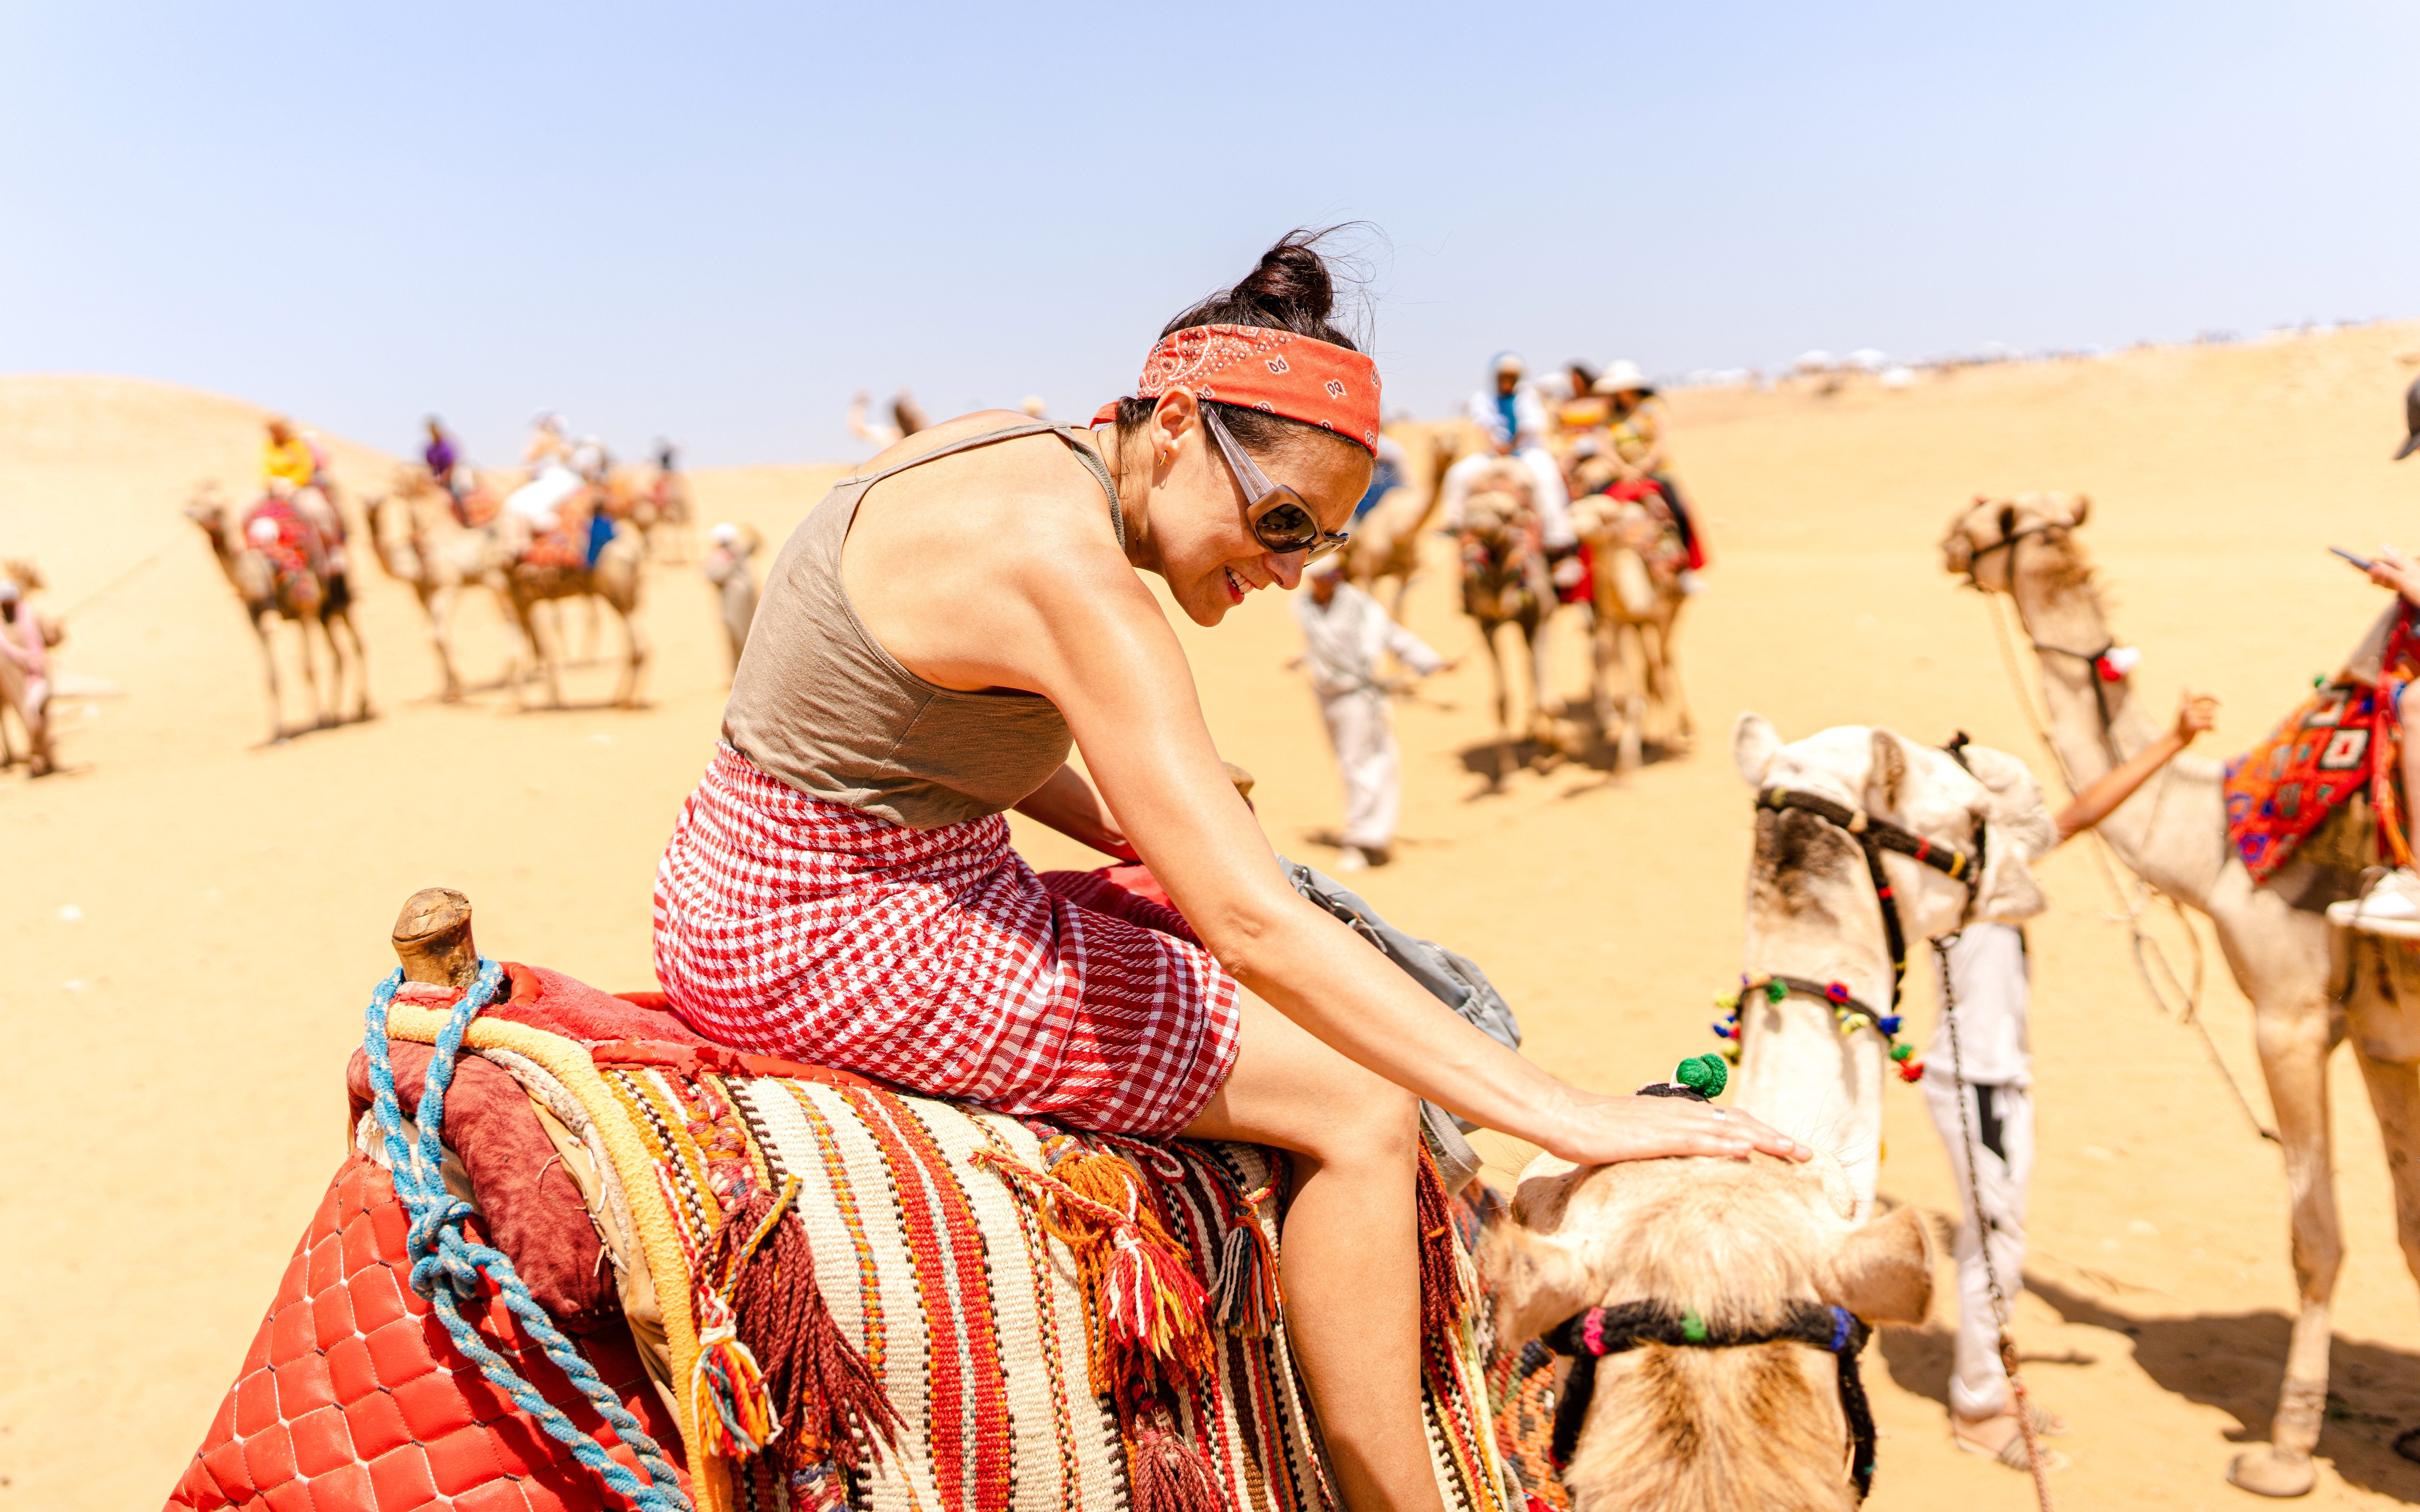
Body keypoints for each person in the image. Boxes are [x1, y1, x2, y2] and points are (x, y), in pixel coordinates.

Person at [651, 231, 1804, 1512]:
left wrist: (1110, 821)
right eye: (1280, 520)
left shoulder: (995, 448)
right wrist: (1564, 1114)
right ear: (1176, 424)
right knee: (1359, 1106)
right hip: (839, 929)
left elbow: (894, 705)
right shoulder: (1072, 575)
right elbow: (1250, 922)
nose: (1291, 570)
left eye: (1322, 542)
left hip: (749, 866)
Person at [1931, 690, 2218, 1470]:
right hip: (1975, 1082)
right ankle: (1979, 1406)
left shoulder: (1991, 863)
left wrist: (2170, 741)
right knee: (1995, 1240)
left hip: (1997, 1079)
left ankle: (1993, 1386)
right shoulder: (1956, 872)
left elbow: (2084, 812)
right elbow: (2078, 814)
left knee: (2001, 1235)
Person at [1291, 555, 1452, 871]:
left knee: (1362, 764)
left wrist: (1430, 661)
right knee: (1352, 762)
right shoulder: (1304, 606)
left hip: (1360, 696)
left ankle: (1363, 839)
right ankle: (1372, 834)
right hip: (1327, 696)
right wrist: (1304, 658)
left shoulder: (1358, 605)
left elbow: (1391, 635)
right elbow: (1323, 644)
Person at [1439, 353, 1575, 553]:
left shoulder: (1528, 396)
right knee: (1458, 473)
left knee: (1547, 476)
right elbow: (1484, 426)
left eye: (1512, 377)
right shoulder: (1483, 399)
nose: (1508, 381)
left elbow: (1529, 425)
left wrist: (1511, 447)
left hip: (1525, 452)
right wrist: (1497, 446)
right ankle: (1454, 523)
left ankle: (1558, 533)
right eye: (1504, 376)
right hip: (1494, 454)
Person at [1595, 360, 1706, 587]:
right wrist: (1623, 469)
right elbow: (1605, 447)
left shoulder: (1653, 409)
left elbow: (1662, 444)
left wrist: (1643, 467)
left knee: (1679, 511)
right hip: (1622, 475)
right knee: (1591, 507)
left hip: (1655, 473)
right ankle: (1587, 582)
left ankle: (1686, 570)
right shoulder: (1611, 415)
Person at [0, 575, 55, 775]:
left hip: (37, 677)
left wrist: (56, 630)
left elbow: (51, 638)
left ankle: (44, 759)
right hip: (12, 683)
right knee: (30, 720)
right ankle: (38, 760)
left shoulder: (32, 618)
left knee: (38, 720)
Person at [262, 418, 316, 491]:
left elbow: (305, 467)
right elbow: (266, 464)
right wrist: (270, 479)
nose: (274, 434)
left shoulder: (296, 445)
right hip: (274, 483)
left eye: (277, 431)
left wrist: (292, 481)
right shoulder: (272, 445)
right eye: (273, 431)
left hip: (294, 484)